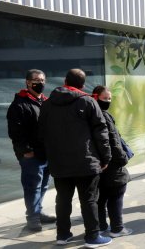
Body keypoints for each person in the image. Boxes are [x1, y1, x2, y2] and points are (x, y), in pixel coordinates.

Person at [38, 69, 113, 248]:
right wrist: (106, 157)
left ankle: (62, 235)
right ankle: (92, 236)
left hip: (59, 162)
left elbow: (41, 132)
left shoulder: (48, 104)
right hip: (85, 162)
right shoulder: (88, 102)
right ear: (82, 84)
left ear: (65, 81)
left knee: (62, 199)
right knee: (88, 199)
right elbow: (101, 132)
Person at [6, 69, 56, 232]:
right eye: (36, 80)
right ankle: (32, 218)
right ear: (27, 82)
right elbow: (15, 132)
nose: (40, 83)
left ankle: (38, 212)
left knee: (42, 186)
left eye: (42, 80)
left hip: (46, 153)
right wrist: (26, 151)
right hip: (31, 155)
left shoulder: (46, 102)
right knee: (32, 186)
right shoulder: (19, 104)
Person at [92, 86, 132, 238]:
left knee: (101, 197)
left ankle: (102, 226)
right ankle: (117, 228)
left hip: (99, 164)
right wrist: (122, 158)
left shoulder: (89, 116)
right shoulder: (103, 116)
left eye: (110, 98)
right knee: (116, 194)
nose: (108, 101)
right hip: (112, 163)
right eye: (105, 98)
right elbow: (113, 141)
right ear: (95, 97)